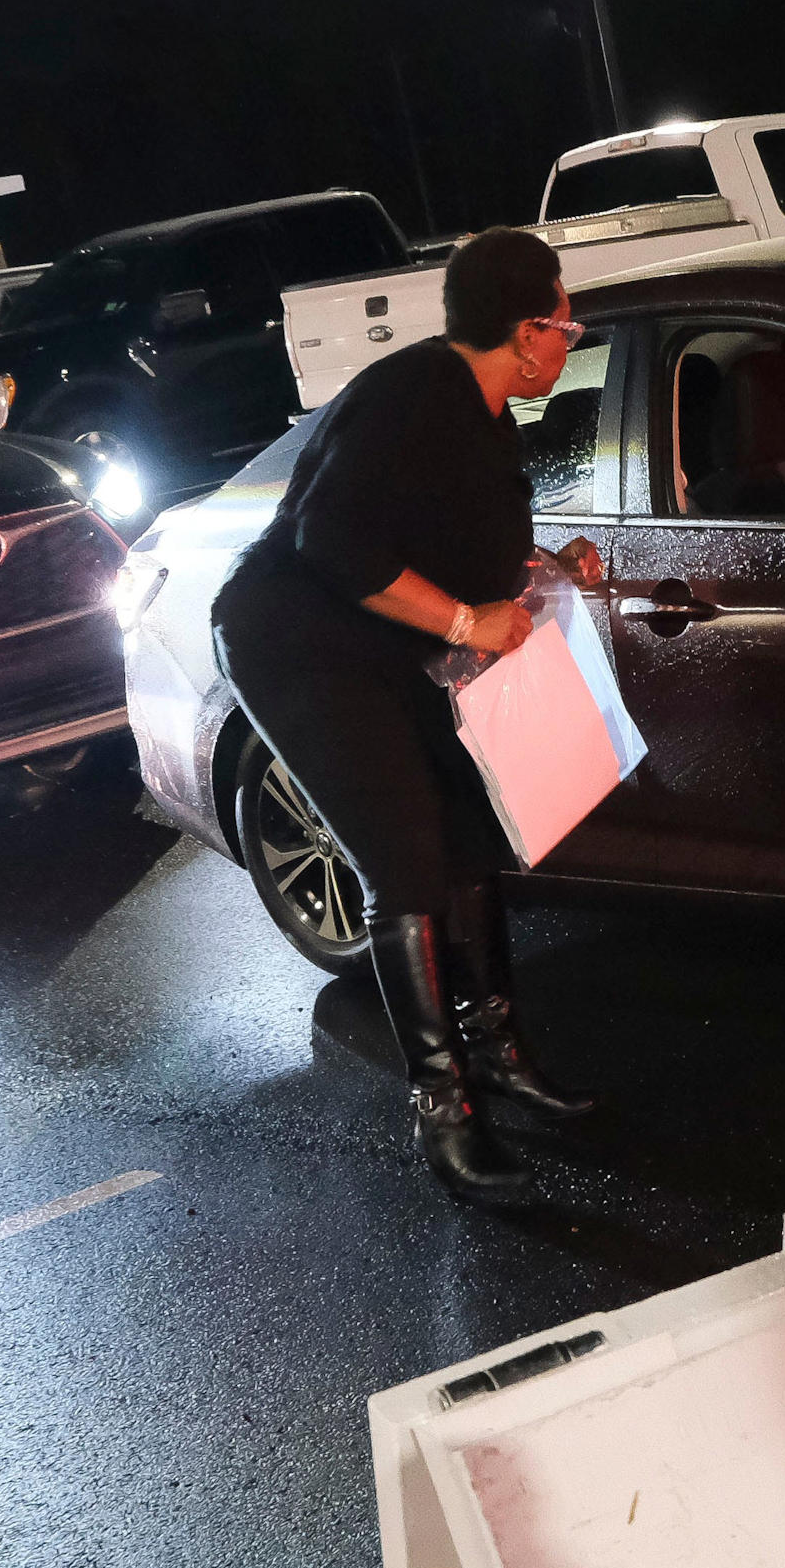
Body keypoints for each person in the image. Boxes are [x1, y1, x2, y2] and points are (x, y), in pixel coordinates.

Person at [211, 227, 600, 1203]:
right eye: (565, 321)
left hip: (383, 644)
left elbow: (456, 544)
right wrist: (473, 619)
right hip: (298, 644)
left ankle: (497, 1051)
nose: (570, 338)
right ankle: (444, 1111)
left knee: (471, 835)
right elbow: (329, 538)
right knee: (407, 860)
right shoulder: (414, 392)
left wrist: (547, 572)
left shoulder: (487, 412)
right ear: (523, 330)